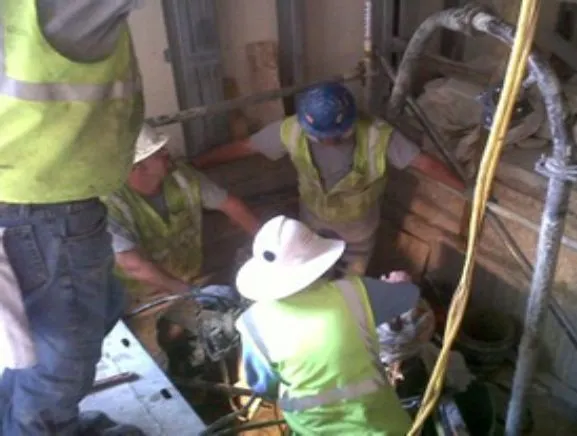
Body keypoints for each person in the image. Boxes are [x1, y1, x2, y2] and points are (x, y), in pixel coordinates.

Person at [0, 2, 145, 434]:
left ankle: (34, 418)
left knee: (78, 324)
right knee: (62, 360)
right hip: (43, 209)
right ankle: (44, 426)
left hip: (39, 203)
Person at [191, 82, 466, 276]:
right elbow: (245, 147)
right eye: (321, 136)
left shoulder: (378, 136)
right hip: (313, 228)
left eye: (337, 135)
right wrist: (196, 164)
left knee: (349, 288)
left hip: (358, 235)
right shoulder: (290, 131)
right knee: (313, 282)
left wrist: (468, 190)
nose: (329, 141)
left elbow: (425, 163)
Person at [234, 215, 422, 435]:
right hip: (378, 426)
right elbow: (410, 295)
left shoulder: (253, 324)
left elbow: (264, 387)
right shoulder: (356, 292)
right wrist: (398, 282)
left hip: (311, 430)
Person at [103, 124, 261, 368]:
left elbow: (232, 206)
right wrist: (188, 290)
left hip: (188, 280)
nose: (167, 154)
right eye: (158, 153)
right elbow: (132, 264)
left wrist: (268, 248)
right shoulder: (109, 204)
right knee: (150, 366)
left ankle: (204, 372)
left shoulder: (182, 178)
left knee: (228, 330)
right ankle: (174, 386)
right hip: (138, 298)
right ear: (137, 166)